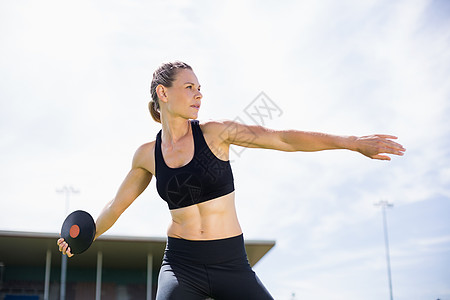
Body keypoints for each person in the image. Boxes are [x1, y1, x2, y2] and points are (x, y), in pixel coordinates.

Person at [57, 61, 406, 299]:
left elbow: (283, 139)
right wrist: (84, 237)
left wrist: (351, 142)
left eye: (200, 87)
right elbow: (116, 205)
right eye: (189, 87)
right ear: (163, 94)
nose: (199, 94)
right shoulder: (146, 154)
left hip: (230, 262)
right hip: (181, 264)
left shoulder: (216, 133)